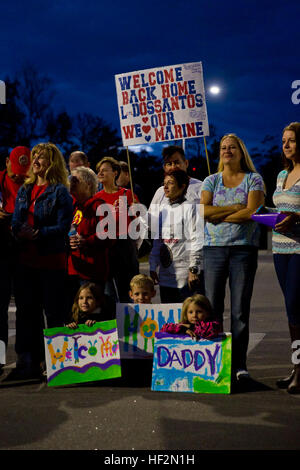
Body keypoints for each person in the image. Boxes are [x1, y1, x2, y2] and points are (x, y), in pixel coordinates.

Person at [200, 133, 265, 382]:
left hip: (243, 250)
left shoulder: (253, 179)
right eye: (223, 147)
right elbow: (203, 211)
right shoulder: (211, 181)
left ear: (241, 151)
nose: (227, 150)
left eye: (232, 147)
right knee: (212, 307)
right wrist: (236, 208)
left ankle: (239, 365)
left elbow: (252, 213)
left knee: (239, 310)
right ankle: (214, 361)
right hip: (213, 249)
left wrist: (219, 214)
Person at [11, 142, 73, 379]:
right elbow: (16, 221)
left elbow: (63, 226)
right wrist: (20, 231)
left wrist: (38, 234)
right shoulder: (25, 190)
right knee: (27, 313)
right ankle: (30, 361)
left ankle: (57, 363)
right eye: (34, 155)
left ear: (52, 162)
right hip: (26, 262)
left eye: (41, 157)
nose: (35, 160)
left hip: (51, 262)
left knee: (55, 313)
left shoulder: (59, 192)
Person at [272, 122, 300, 394]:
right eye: (284, 141)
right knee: (292, 311)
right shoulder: (282, 174)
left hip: (299, 250)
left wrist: (296, 217)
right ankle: (296, 366)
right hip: (280, 249)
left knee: (295, 306)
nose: (287, 145)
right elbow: (281, 206)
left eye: (291, 140)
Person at [149, 169, 203, 303]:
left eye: (171, 183)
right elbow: (158, 241)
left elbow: (196, 239)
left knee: (186, 319)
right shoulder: (163, 210)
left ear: (182, 186)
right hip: (165, 277)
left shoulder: (191, 208)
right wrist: (152, 265)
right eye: (164, 183)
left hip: (185, 277)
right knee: (170, 322)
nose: (165, 187)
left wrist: (194, 269)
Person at [67, 166, 114, 314]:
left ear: (87, 184)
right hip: (74, 269)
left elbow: (109, 234)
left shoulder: (100, 205)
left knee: (94, 314)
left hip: (93, 272)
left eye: (76, 180)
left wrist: (86, 241)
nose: (71, 183)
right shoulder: (73, 206)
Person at [0, 146, 31, 370]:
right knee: (0, 307)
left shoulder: (30, 183)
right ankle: (0, 358)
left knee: (26, 306)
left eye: (23, 171)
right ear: (7, 162)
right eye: (15, 170)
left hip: (23, 250)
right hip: (1, 250)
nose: (18, 175)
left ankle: (24, 355)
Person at [96, 156, 140, 302]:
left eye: (104, 170)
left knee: (127, 293)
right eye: (98, 171)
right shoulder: (96, 198)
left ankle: (131, 323)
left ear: (115, 172)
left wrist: (137, 211)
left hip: (125, 249)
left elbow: (139, 224)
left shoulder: (126, 194)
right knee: (108, 297)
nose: (100, 173)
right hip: (104, 250)